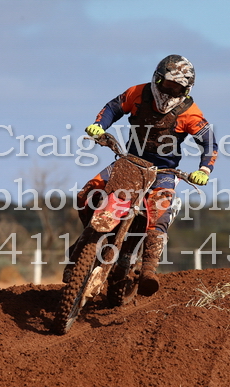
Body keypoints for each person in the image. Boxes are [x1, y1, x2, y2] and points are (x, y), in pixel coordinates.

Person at [65, 54, 219, 297]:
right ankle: (87, 241)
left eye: (177, 88)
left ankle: (148, 271)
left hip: (163, 172)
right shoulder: (137, 93)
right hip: (130, 163)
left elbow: (209, 143)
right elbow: (113, 107)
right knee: (88, 193)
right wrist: (100, 126)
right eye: (167, 84)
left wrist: (204, 170)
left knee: (159, 214)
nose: (170, 91)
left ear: (186, 90)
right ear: (157, 79)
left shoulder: (190, 113)